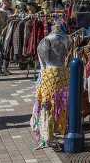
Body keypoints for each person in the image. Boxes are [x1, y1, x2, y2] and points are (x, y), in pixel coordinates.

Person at [30, 21, 70, 150]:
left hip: (49, 76)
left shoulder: (45, 41)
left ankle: (48, 135)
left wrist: (39, 82)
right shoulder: (67, 39)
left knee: (48, 106)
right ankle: (54, 132)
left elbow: (42, 65)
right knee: (58, 105)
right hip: (62, 75)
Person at [0, 0, 14, 76]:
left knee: (7, 51)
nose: (11, 4)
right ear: (4, 2)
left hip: (8, 34)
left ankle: (5, 68)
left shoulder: (10, 11)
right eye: (9, 2)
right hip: (1, 35)